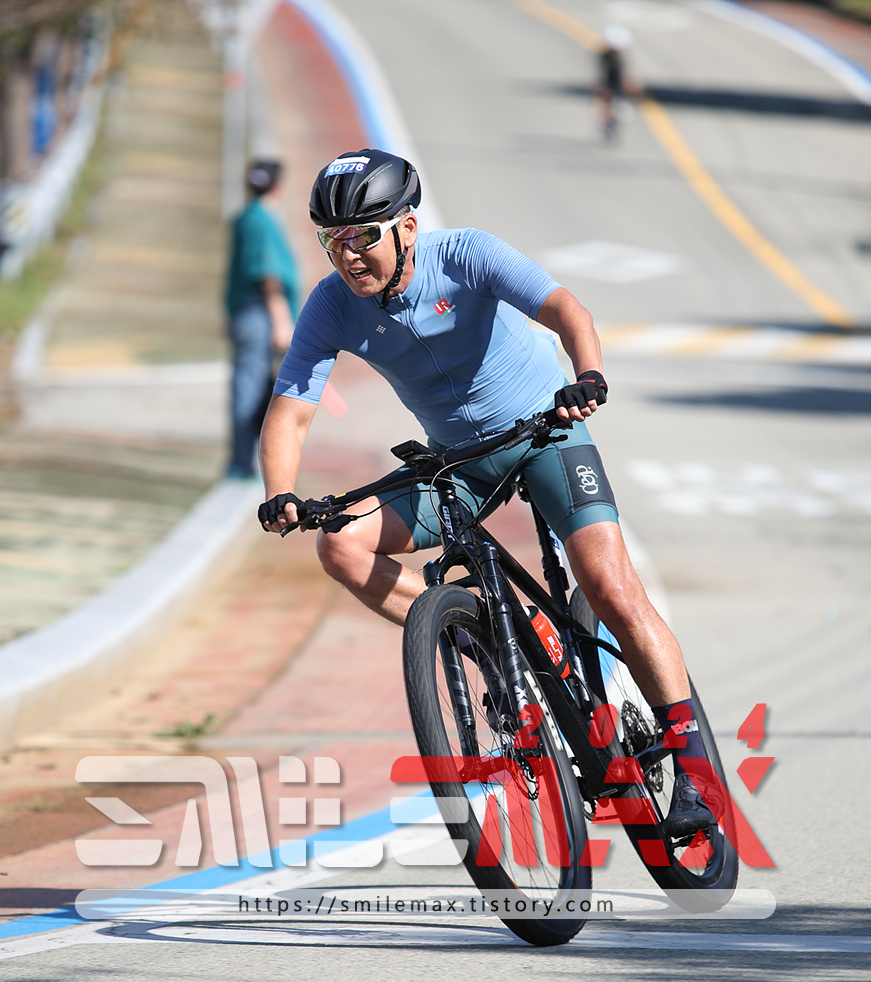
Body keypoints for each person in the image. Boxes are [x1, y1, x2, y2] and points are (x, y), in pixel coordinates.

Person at [255, 148, 718, 835]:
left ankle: (695, 771)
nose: (348, 255)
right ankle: (489, 637)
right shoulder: (331, 305)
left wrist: (588, 376)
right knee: (341, 547)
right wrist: (281, 492)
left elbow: (565, 308)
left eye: (362, 237)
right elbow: (291, 412)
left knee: (611, 588)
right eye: (333, 241)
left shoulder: (467, 255)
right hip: (458, 464)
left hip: (545, 433)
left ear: (407, 228)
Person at [224, 158, 299, 479]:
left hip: (247, 315)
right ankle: (242, 463)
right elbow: (268, 275)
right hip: (260, 315)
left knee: (250, 387)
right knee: (251, 389)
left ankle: (245, 459)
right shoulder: (262, 221)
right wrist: (282, 323)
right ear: (277, 186)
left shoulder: (246, 218)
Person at [594, 23, 633, 141]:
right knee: (603, 105)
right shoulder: (606, 58)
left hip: (617, 87)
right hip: (609, 86)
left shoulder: (617, 59)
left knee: (619, 110)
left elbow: (623, 75)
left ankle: (610, 126)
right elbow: (604, 76)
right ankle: (604, 127)